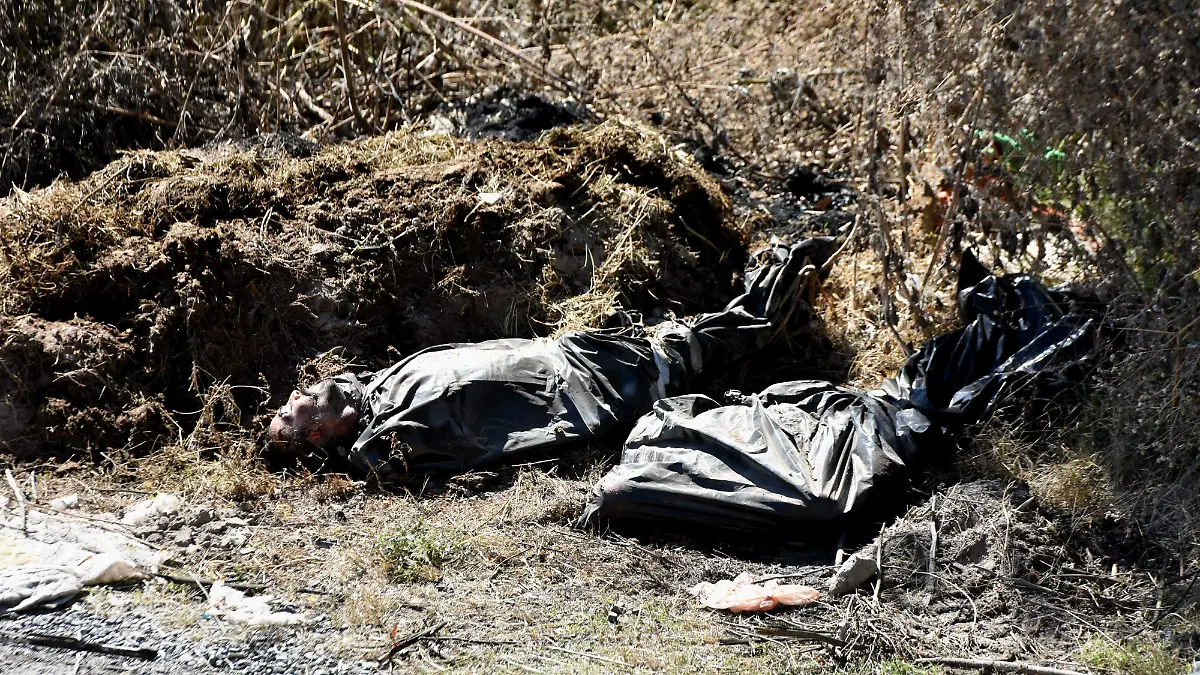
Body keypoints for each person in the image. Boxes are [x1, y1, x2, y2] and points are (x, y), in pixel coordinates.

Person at [268, 237, 836, 478]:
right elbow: (383, 455)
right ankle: (786, 289)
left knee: (685, 337)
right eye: (295, 411)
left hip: (568, 352)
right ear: (319, 435)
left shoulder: (373, 391)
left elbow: (348, 390)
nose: (300, 395)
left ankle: (780, 290)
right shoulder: (379, 445)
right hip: (591, 391)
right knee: (690, 348)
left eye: (294, 399)